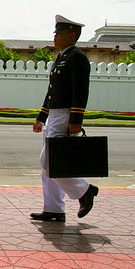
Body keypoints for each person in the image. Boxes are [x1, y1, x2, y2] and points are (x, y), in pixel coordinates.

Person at [30, 15, 99, 222]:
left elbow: (81, 91)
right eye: (55, 33)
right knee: (48, 166)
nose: (55, 36)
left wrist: (76, 120)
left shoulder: (77, 58)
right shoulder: (60, 59)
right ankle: (54, 209)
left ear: (72, 35)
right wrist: (41, 117)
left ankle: (84, 191)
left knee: (50, 161)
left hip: (66, 115)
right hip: (54, 115)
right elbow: (51, 92)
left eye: (59, 33)